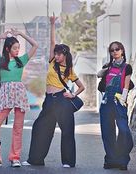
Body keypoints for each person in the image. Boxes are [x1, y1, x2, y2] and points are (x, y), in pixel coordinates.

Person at [22, 14, 85, 168]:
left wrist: (73, 94)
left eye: (59, 54)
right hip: (49, 100)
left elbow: (81, 86)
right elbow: (52, 42)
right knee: (39, 128)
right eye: (55, 53)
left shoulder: (69, 69)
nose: (56, 56)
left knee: (67, 131)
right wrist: (52, 24)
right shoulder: (51, 62)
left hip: (63, 100)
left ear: (65, 55)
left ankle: (68, 162)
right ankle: (35, 159)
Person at [0, 28, 38, 167]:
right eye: (15, 48)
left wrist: (21, 34)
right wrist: (0, 37)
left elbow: (35, 45)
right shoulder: (0, 61)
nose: (18, 50)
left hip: (19, 95)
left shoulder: (22, 61)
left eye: (18, 48)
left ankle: (15, 157)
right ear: (7, 49)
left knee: (18, 128)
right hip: (5, 95)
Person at [98, 41, 134, 171]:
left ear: (122, 50)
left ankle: (123, 159)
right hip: (106, 102)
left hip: (119, 102)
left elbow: (126, 85)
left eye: (117, 49)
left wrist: (122, 100)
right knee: (107, 133)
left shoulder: (127, 67)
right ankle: (111, 160)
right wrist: (104, 70)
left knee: (124, 130)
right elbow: (101, 79)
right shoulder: (107, 66)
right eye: (112, 50)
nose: (115, 52)